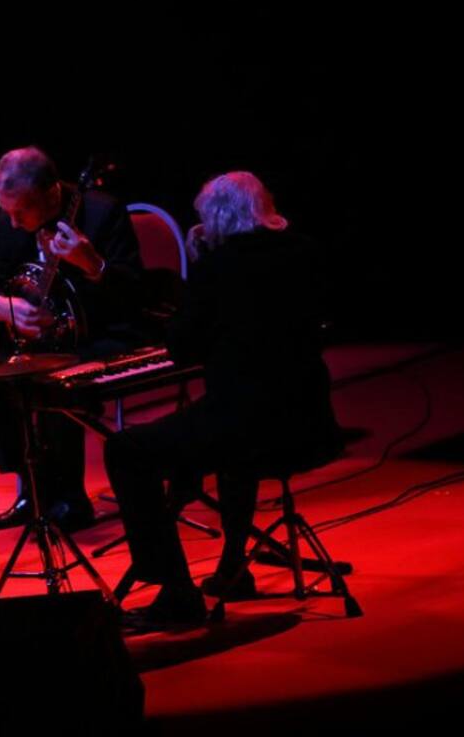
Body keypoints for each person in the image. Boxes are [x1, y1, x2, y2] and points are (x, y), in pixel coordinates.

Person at [104, 171, 342, 632]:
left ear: (214, 219)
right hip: (308, 419)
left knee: (127, 450)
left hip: (245, 422)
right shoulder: (307, 252)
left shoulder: (219, 266)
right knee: (208, 437)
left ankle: (176, 593)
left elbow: (182, 348)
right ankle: (233, 568)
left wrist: (197, 268)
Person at [0, 146, 144, 532]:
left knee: (54, 383)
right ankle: (34, 489)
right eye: (7, 212)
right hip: (47, 342)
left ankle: (72, 502)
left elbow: (134, 293)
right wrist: (2, 306)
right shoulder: (9, 219)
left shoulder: (103, 212)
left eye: (20, 212)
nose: (13, 223)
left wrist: (94, 266)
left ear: (50, 194)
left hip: (103, 335)